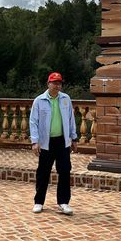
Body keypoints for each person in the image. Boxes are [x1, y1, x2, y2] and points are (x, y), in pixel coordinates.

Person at [29, 72, 77, 215]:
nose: (57, 85)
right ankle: (39, 202)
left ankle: (63, 202)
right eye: (54, 83)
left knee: (64, 171)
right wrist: (34, 141)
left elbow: (71, 119)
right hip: (45, 142)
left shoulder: (66, 99)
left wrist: (73, 138)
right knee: (43, 172)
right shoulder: (39, 100)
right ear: (48, 84)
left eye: (59, 83)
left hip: (62, 141)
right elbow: (33, 122)